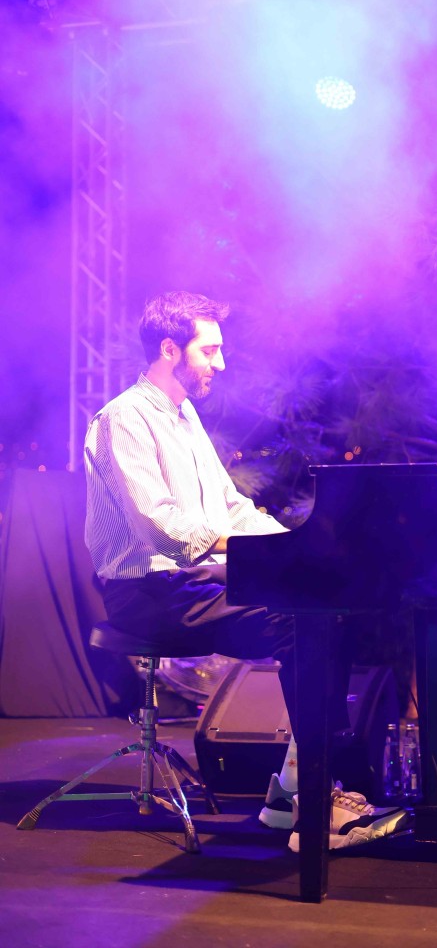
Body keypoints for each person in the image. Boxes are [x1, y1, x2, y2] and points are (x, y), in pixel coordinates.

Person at [83, 290, 408, 851]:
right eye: (209, 351)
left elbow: (230, 507)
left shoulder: (183, 416)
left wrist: (295, 546)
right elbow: (161, 528)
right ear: (169, 349)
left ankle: (293, 793)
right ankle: (316, 808)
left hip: (189, 581)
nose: (221, 363)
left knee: (326, 610)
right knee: (297, 621)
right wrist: (264, 553)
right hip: (146, 590)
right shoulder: (124, 419)